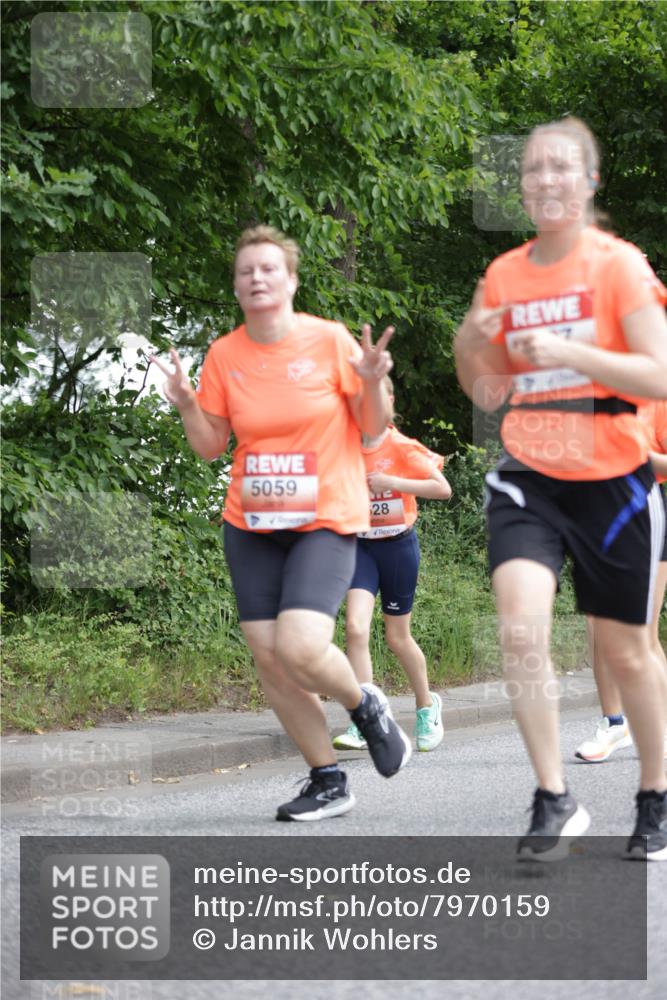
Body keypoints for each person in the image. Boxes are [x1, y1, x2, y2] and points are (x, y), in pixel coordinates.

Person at [454, 116, 667, 860]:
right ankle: (552, 796)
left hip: (613, 479)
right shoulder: (505, 275)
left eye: (561, 168)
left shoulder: (619, 267)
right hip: (528, 474)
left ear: (588, 182)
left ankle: (654, 794)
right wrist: (467, 340)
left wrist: (573, 350)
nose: (545, 180)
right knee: (519, 630)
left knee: (627, 651)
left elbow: (659, 374)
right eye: (533, 170)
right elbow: (484, 391)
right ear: (522, 187)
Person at [150, 225, 412, 822]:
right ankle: (328, 780)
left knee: (300, 645)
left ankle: (364, 705)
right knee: (269, 657)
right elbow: (211, 447)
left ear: (291, 280)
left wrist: (372, 382)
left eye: (268, 269)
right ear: (237, 287)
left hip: (324, 515)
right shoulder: (225, 354)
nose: (256, 279)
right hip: (253, 520)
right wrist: (189, 404)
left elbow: (372, 426)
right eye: (246, 272)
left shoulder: (328, 341)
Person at [333, 376, 452, 752]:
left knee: (397, 638)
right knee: (354, 629)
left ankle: (426, 706)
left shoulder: (401, 446)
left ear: (388, 401)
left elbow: (442, 489)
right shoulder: (344, 445)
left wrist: (391, 480)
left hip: (398, 548)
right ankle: (365, 718)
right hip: (361, 548)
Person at [575, 399, 667, 762]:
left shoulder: (656, 402)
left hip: (644, 514)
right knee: (598, 628)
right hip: (595, 520)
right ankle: (614, 723)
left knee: (641, 634)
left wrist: (635, 454)